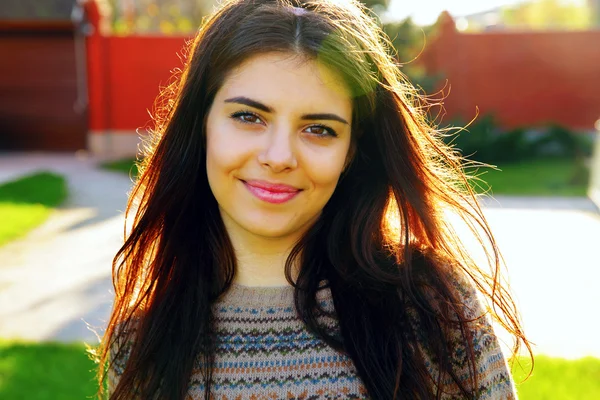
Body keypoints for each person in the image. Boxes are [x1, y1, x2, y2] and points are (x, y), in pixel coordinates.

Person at [97, 0, 531, 398]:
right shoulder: (140, 343)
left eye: (319, 129)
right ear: (201, 125)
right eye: (248, 117)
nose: (279, 157)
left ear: (351, 152)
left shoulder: (430, 305)